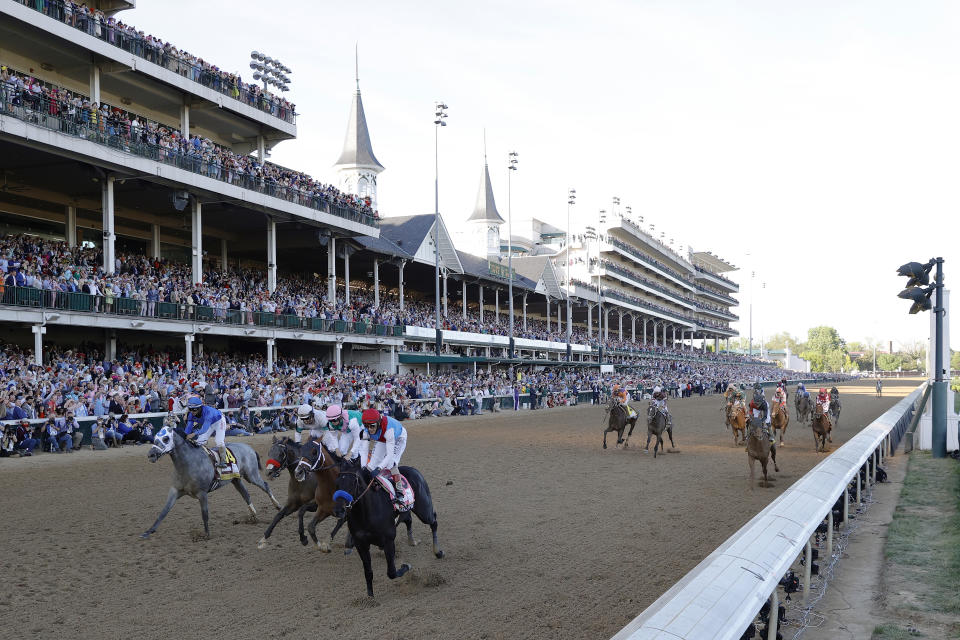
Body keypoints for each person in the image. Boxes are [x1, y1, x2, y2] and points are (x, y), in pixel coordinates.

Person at [353, 408, 407, 504]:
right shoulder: (365, 431)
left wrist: (378, 469)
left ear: (378, 423)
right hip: (382, 439)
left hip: (398, 437)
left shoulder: (389, 431)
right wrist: (363, 468)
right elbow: (364, 451)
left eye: (372, 426)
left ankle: (400, 492)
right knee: (371, 465)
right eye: (366, 426)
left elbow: (390, 455)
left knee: (391, 463)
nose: (369, 429)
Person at [184, 396, 230, 470]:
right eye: (190, 409)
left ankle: (223, 461)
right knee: (199, 441)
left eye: (194, 409)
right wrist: (185, 435)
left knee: (219, 441)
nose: (192, 412)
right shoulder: (191, 414)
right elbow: (188, 427)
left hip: (219, 421)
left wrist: (193, 434)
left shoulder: (208, 412)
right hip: (209, 424)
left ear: (200, 408)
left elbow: (204, 429)